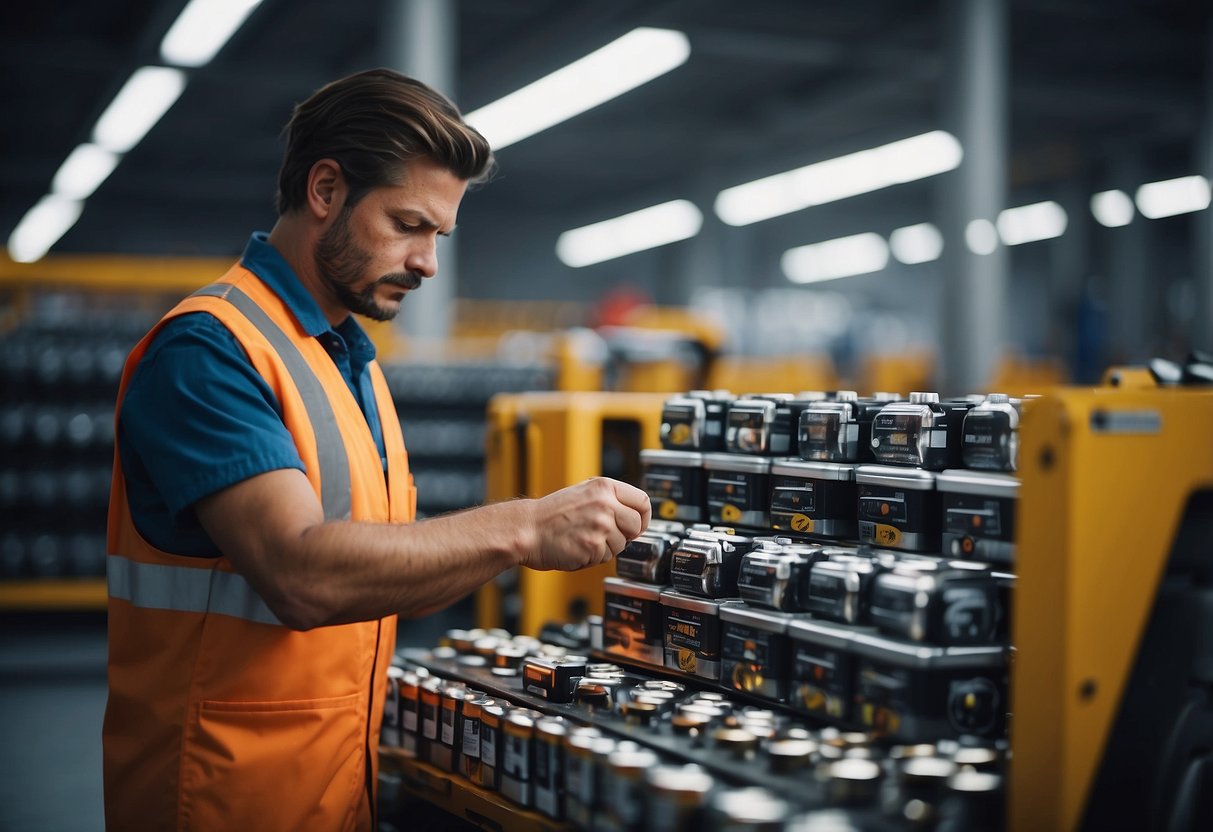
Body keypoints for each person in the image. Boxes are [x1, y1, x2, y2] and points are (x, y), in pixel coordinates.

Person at [102, 68, 651, 831]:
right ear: (325, 189)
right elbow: (301, 576)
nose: (427, 261)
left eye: (439, 236)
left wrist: (517, 551)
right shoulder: (209, 349)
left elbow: (390, 572)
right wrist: (523, 527)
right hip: (221, 797)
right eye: (407, 224)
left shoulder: (346, 362)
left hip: (330, 789)